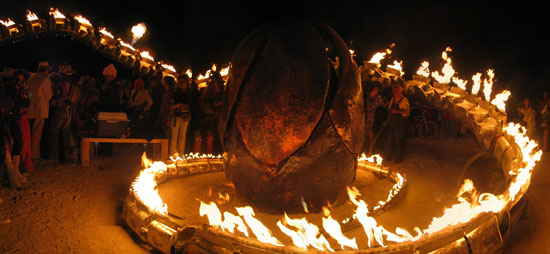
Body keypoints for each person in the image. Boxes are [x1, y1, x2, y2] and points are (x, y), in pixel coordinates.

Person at [27, 61, 53, 160]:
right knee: (36, 134)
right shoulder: (45, 79)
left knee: (29, 132)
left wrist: (31, 98)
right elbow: (48, 95)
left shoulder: (31, 78)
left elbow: (29, 94)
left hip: (30, 108)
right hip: (40, 109)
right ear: (46, 70)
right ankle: (35, 155)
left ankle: (27, 153)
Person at [13, 69, 35, 172]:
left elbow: (29, 96)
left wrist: (27, 96)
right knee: (24, 141)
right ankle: (24, 164)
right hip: (19, 116)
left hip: (21, 115)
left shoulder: (23, 87)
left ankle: (25, 164)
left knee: (25, 140)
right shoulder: (15, 88)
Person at [383, 84, 410, 162]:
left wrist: (397, 111)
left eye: (396, 91)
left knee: (399, 141)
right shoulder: (392, 99)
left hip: (399, 124)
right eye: (394, 91)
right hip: (392, 123)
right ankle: (387, 157)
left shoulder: (404, 100)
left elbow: (407, 112)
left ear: (400, 91)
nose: (395, 92)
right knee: (389, 141)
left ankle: (398, 158)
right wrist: (386, 121)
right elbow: (390, 111)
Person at [169, 75, 191, 155]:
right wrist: (178, 105)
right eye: (180, 82)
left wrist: (185, 106)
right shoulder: (175, 93)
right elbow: (171, 105)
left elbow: (192, 105)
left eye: (183, 82)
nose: (181, 84)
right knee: (174, 137)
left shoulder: (189, 93)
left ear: (187, 83)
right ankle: (172, 155)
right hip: (176, 115)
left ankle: (180, 154)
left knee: (182, 137)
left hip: (185, 116)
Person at [363, 84, 384, 153]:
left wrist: (376, 115)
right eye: (375, 89)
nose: (376, 91)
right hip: (365, 119)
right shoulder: (365, 97)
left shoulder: (378, 98)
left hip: (373, 120)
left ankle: (370, 152)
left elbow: (381, 108)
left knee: (371, 136)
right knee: (364, 136)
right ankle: (363, 151)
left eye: (377, 89)